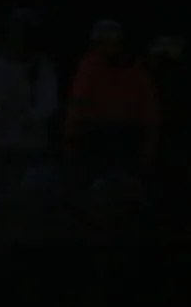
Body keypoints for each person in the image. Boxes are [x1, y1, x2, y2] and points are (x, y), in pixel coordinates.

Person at [0, 9, 59, 194]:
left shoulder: (39, 67)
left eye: (23, 32)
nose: (18, 37)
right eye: (14, 30)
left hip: (26, 148)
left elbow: (47, 104)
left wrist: (25, 122)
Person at [63, 20, 160, 191]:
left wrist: (147, 151)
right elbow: (77, 106)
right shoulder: (90, 67)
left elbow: (149, 115)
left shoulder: (137, 72)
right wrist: (72, 139)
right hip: (93, 141)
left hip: (127, 143)